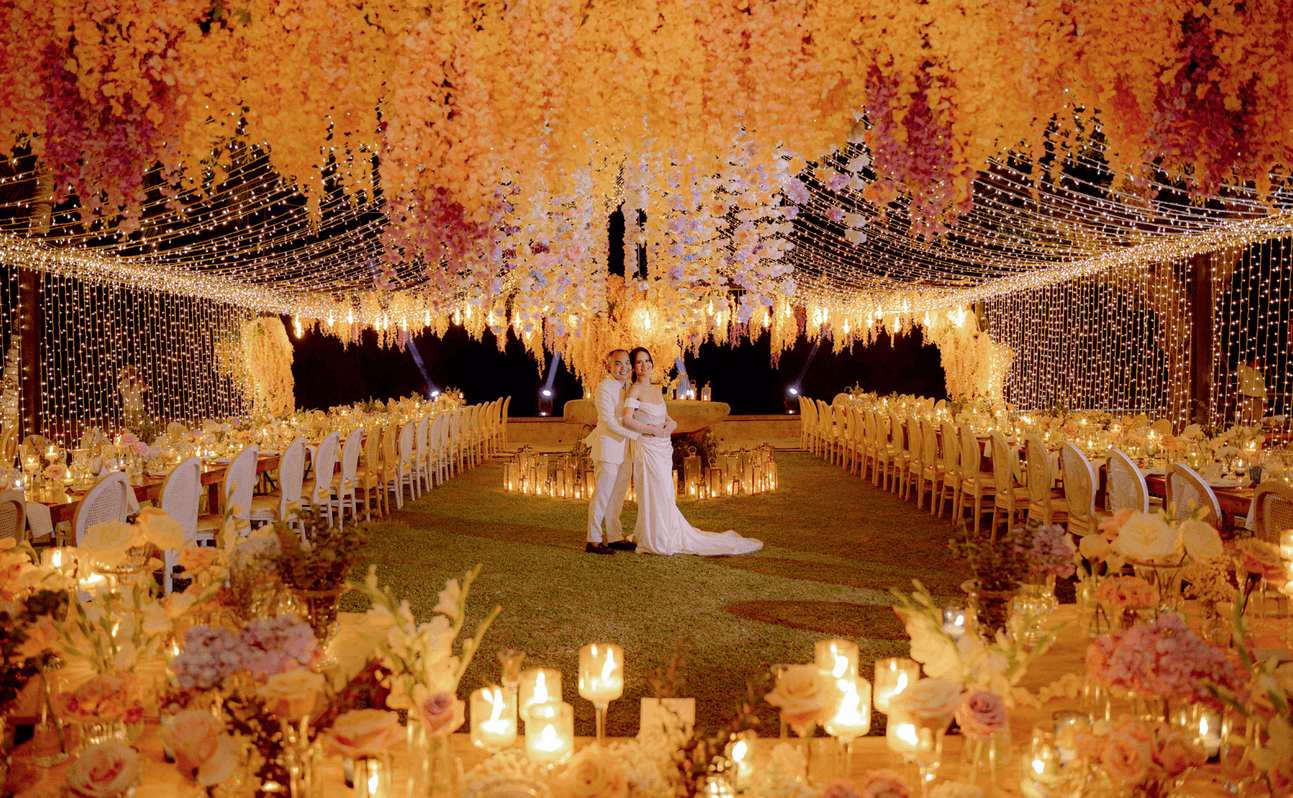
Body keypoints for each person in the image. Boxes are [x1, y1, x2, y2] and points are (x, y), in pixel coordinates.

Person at [620, 347, 763, 556]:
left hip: (662, 447)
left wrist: (670, 424)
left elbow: (663, 414)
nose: (644, 365)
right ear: (633, 367)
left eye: (647, 361)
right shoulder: (635, 390)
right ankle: (653, 538)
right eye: (639, 362)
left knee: (665, 492)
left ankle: (666, 533)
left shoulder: (655, 389)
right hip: (648, 447)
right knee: (652, 490)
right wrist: (653, 431)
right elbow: (627, 419)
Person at [584, 349, 664, 555]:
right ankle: (593, 540)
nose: (624, 368)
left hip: (625, 450)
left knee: (618, 495)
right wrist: (637, 436)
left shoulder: (629, 386)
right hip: (608, 447)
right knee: (602, 494)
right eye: (618, 364)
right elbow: (609, 422)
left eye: (627, 363)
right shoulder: (604, 388)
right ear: (609, 366)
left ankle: (615, 536)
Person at [1237, 356, 1267, 425]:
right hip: (1246, 398)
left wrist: (1265, 401)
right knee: (1244, 420)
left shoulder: (1258, 373)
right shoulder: (1243, 370)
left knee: (1256, 421)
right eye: (1257, 361)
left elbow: (1262, 387)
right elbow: (1239, 366)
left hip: (1258, 399)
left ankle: (1255, 434)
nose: (1259, 363)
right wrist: (1245, 361)